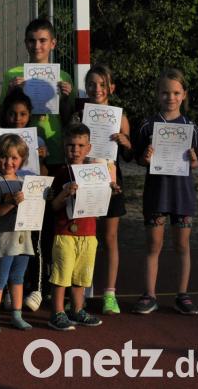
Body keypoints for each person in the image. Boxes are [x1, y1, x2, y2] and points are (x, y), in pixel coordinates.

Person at [132, 68, 198, 316]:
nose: (170, 97)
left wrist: (193, 159)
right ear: (157, 94)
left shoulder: (190, 127)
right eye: (165, 92)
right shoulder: (148, 125)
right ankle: (149, 294)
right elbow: (139, 160)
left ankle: (182, 294)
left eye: (175, 92)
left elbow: (196, 162)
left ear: (183, 95)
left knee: (182, 245)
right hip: (156, 193)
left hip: (182, 194)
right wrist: (145, 156)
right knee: (154, 245)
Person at [72, 65, 132, 315]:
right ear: (86, 88)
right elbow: (71, 142)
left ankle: (109, 294)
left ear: (111, 88)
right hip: (84, 179)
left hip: (110, 181)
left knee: (109, 239)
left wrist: (125, 141)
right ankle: (81, 293)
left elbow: (129, 153)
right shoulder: (79, 113)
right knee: (82, 239)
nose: (97, 89)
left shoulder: (119, 116)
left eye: (102, 84)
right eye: (92, 84)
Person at [0, 90, 48, 312]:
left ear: (29, 115)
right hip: (5, 226)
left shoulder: (38, 140)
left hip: (27, 216)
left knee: (21, 267)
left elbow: (43, 176)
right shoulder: (0, 141)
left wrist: (42, 158)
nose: (17, 118)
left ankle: (25, 298)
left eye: (22, 114)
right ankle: (1, 302)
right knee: (2, 271)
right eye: (13, 114)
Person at [47, 124, 105, 331]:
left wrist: (111, 191)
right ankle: (57, 312)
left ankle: (77, 310)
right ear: (64, 146)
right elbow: (53, 206)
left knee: (82, 274)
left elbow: (101, 203)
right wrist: (65, 193)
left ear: (88, 148)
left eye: (80, 145)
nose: (75, 150)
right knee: (61, 274)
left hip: (88, 232)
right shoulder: (61, 173)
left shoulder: (97, 172)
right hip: (65, 232)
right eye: (71, 145)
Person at [2, 18, 75, 170]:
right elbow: (1, 119)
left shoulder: (64, 77)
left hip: (55, 148)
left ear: (53, 44)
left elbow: (68, 120)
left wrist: (65, 98)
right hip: (20, 149)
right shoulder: (12, 75)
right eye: (32, 41)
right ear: (25, 43)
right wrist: (11, 94)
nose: (37, 46)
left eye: (43, 41)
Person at [0, 134, 34, 333]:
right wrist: (12, 202)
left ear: (22, 159)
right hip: (5, 239)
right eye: (4, 157)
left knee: (18, 278)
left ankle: (17, 315)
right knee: (0, 278)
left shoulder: (26, 181)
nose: (9, 162)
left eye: (14, 158)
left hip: (24, 238)